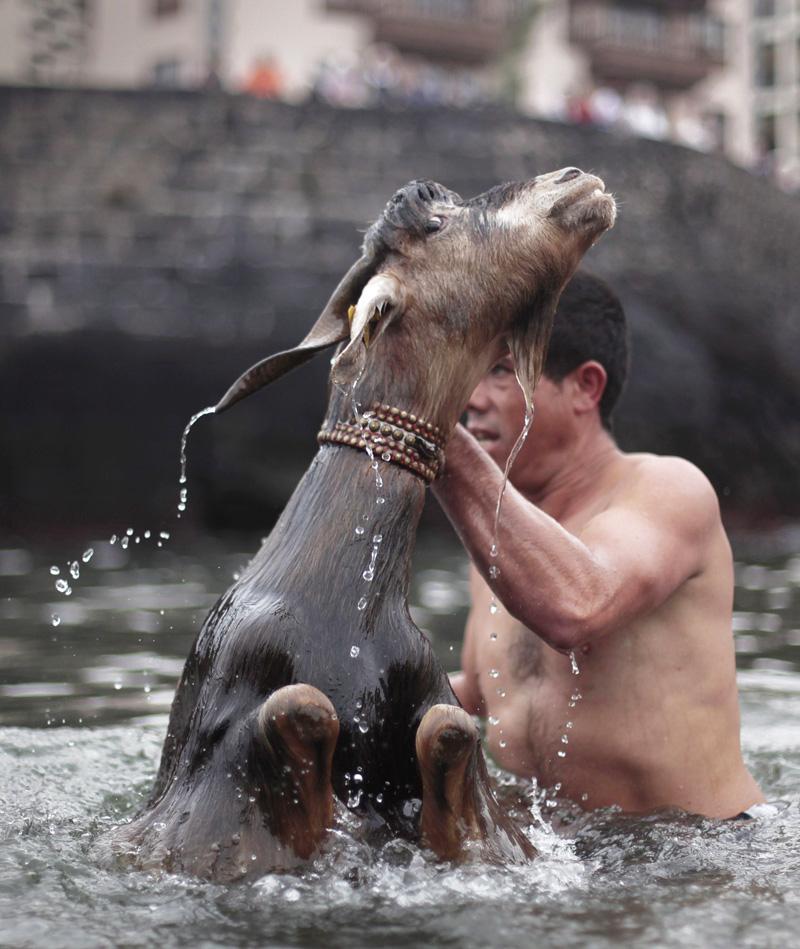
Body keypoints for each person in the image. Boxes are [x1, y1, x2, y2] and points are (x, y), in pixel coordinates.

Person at [432, 272, 764, 819]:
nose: (470, 398)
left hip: (697, 850)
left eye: (500, 371)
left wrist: (434, 433)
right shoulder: (498, 536)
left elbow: (578, 605)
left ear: (585, 387)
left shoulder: (669, 489)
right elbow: (490, 689)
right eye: (467, 371)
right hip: (557, 851)